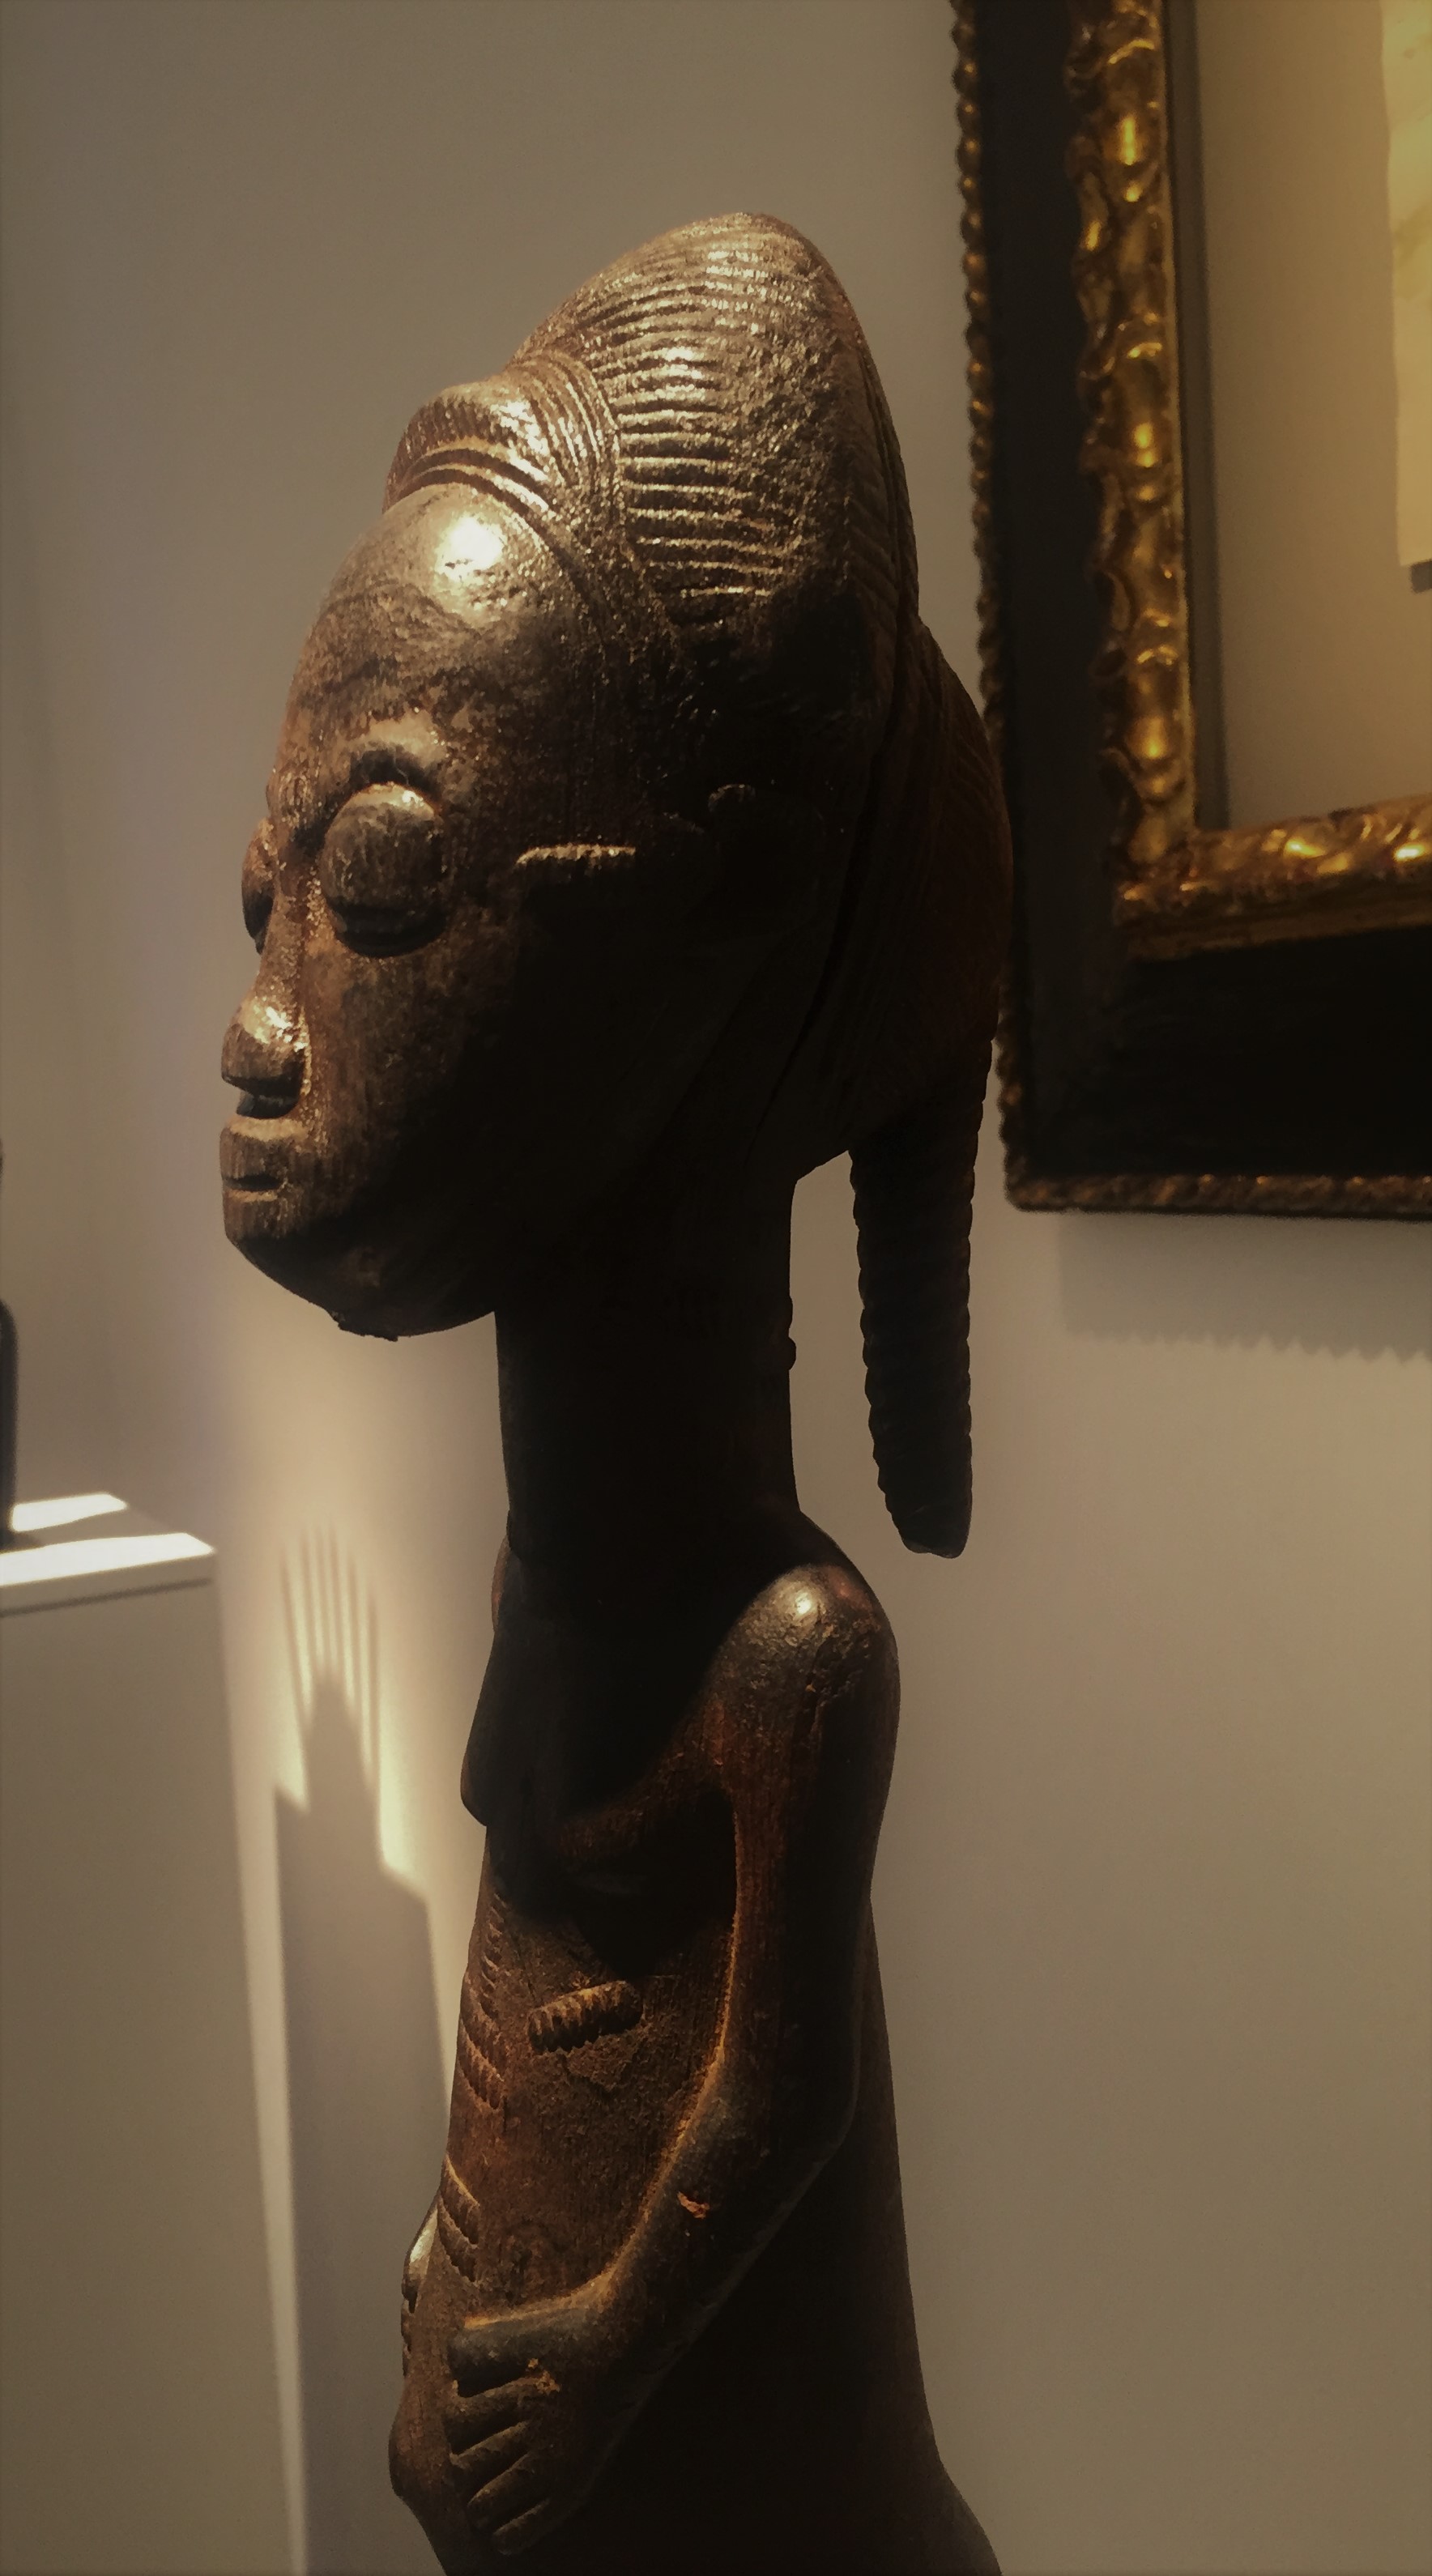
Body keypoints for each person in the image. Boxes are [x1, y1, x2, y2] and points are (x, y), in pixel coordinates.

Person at [221, 214, 1009, 2574]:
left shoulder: (788, 1655)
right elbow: (533, 1964)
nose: (263, 1024)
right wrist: (456, 2240)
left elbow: (776, 2094)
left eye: (382, 880)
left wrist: (597, 2340)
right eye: (266, 898)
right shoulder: (548, 1584)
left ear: (721, 922)